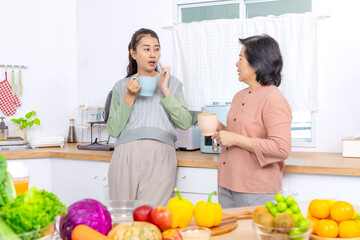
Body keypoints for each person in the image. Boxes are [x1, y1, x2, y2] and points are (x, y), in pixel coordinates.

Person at [107, 28, 192, 206]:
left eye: (156, 49)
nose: (153, 54)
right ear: (133, 53)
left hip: (161, 155)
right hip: (124, 156)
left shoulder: (172, 83)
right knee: (122, 218)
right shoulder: (121, 86)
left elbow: (185, 122)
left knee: (149, 218)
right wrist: (129, 97)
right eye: (146, 49)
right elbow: (113, 130)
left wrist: (165, 91)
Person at [213, 35, 292, 208]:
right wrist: (220, 129)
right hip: (227, 184)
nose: (236, 64)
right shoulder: (239, 96)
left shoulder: (273, 98)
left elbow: (281, 148)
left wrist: (235, 139)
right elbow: (242, 134)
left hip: (256, 190)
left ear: (257, 63)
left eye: (240, 59)